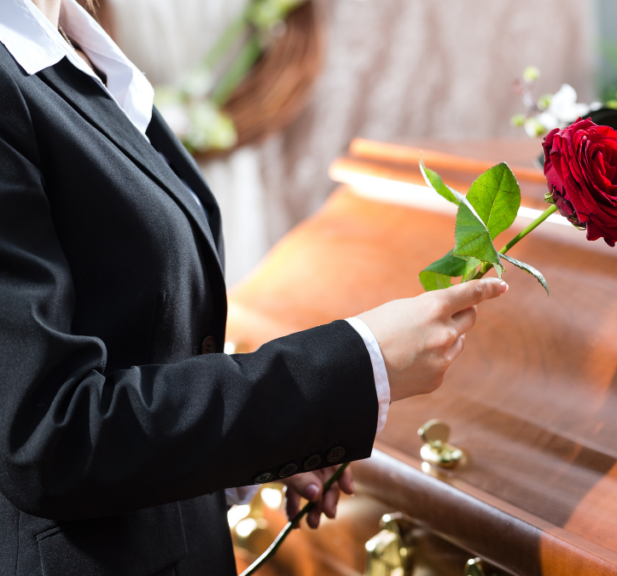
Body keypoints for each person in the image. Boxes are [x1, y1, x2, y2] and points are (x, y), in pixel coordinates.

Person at [0, 0, 507, 573]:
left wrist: (259, 446)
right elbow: (49, 438)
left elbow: (136, 350)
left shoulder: (73, 50)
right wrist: (354, 366)